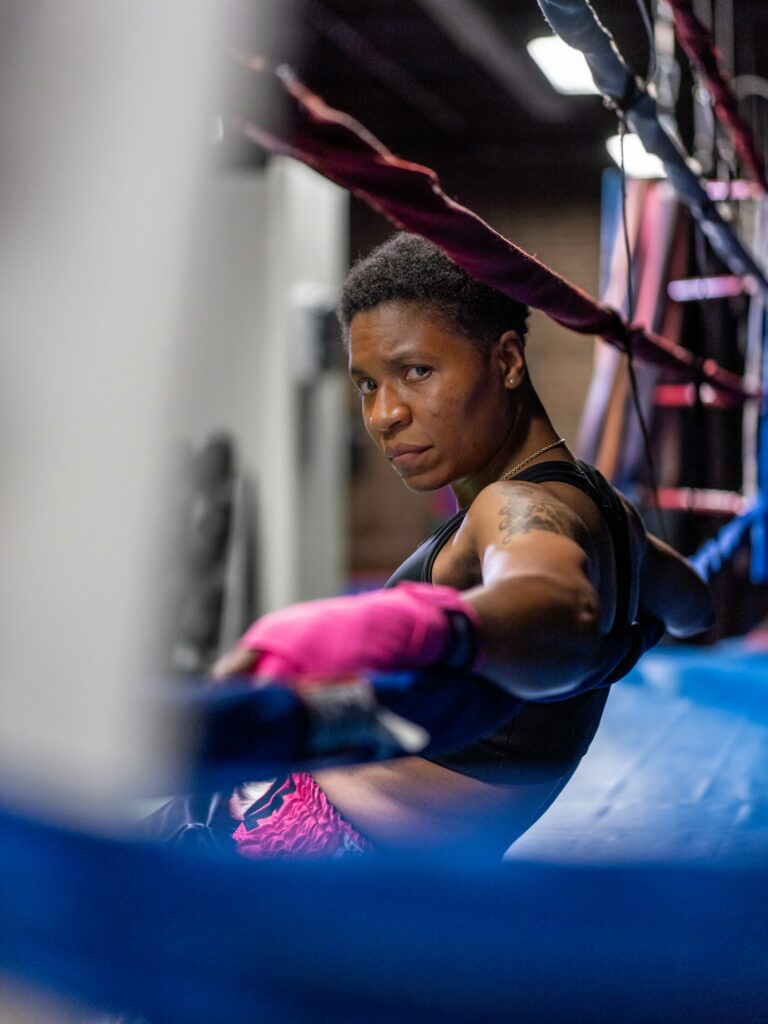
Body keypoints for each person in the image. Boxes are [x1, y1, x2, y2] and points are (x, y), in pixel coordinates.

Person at [212, 233, 713, 859]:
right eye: (366, 385)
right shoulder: (615, 517)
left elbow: (554, 597)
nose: (384, 415)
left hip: (316, 845)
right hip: (381, 859)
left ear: (507, 361)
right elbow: (695, 607)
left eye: (416, 371)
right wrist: (629, 636)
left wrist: (400, 629)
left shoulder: (514, 506)